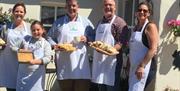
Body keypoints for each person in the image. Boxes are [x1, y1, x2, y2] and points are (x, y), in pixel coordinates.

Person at [47, 0, 94, 91]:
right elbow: (49, 37)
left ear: (78, 7)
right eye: (69, 6)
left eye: (74, 5)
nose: (71, 8)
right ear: (65, 7)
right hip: (64, 64)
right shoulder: (58, 23)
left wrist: (87, 39)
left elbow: (94, 36)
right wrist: (54, 45)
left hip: (81, 66)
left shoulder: (85, 22)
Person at [91, 0, 130, 91]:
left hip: (112, 63)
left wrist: (108, 50)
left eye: (110, 5)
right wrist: (91, 42)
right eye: (106, 5)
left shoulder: (120, 22)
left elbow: (121, 42)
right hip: (99, 62)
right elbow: (95, 40)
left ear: (115, 7)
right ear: (103, 8)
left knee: (112, 88)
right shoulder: (99, 22)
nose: (108, 7)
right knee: (101, 88)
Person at [0, 2, 31, 91]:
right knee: (10, 87)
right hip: (9, 63)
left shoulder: (29, 27)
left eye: (21, 12)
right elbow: (2, 42)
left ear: (24, 13)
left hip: (24, 62)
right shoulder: (6, 27)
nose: (19, 14)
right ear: (13, 13)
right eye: (16, 11)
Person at [128, 1, 159, 91]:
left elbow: (153, 49)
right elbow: (133, 49)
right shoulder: (136, 27)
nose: (142, 12)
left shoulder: (150, 27)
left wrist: (142, 66)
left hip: (144, 67)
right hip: (134, 67)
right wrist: (129, 63)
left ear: (149, 13)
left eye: (145, 11)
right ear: (136, 12)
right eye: (140, 10)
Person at [15, 20, 52, 91]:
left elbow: (48, 58)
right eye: (33, 30)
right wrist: (20, 50)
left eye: (38, 30)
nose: (36, 32)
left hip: (37, 76)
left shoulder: (46, 44)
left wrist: (35, 62)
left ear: (43, 30)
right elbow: (14, 47)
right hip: (23, 74)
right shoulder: (25, 40)